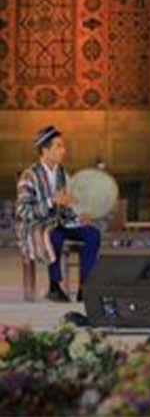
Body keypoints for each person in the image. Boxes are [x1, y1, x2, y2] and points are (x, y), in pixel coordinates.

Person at [15, 126, 101, 302]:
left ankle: (84, 287)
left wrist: (79, 217)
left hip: (60, 222)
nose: (64, 150)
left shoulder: (61, 173)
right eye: (59, 146)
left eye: (63, 146)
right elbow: (22, 211)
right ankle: (54, 286)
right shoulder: (29, 176)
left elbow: (64, 208)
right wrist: (50, 201)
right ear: (45, 150)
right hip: (38, 226)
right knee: (54, 235)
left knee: (92, 233)